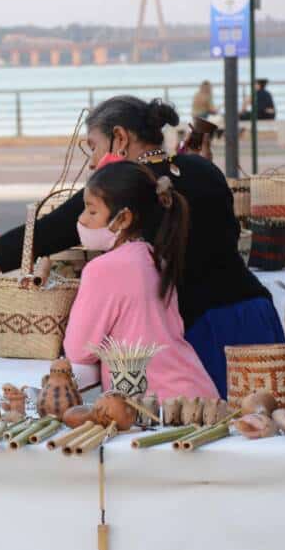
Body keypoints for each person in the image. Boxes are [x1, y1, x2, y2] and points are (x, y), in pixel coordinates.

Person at [0, 96, 285, 397]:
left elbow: (35, 237)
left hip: (203, 336)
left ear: (120, 138)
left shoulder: (122, 192)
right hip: (256, 315)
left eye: (94, 147)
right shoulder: (202, 169)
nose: (91, 162)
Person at [63, 162, 218, 400]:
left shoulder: (103, 269)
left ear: (123, 218)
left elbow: (79, 350)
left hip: (158, 404)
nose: (82, 219)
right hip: (195, 391)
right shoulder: (153, 257)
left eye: (92, 212)